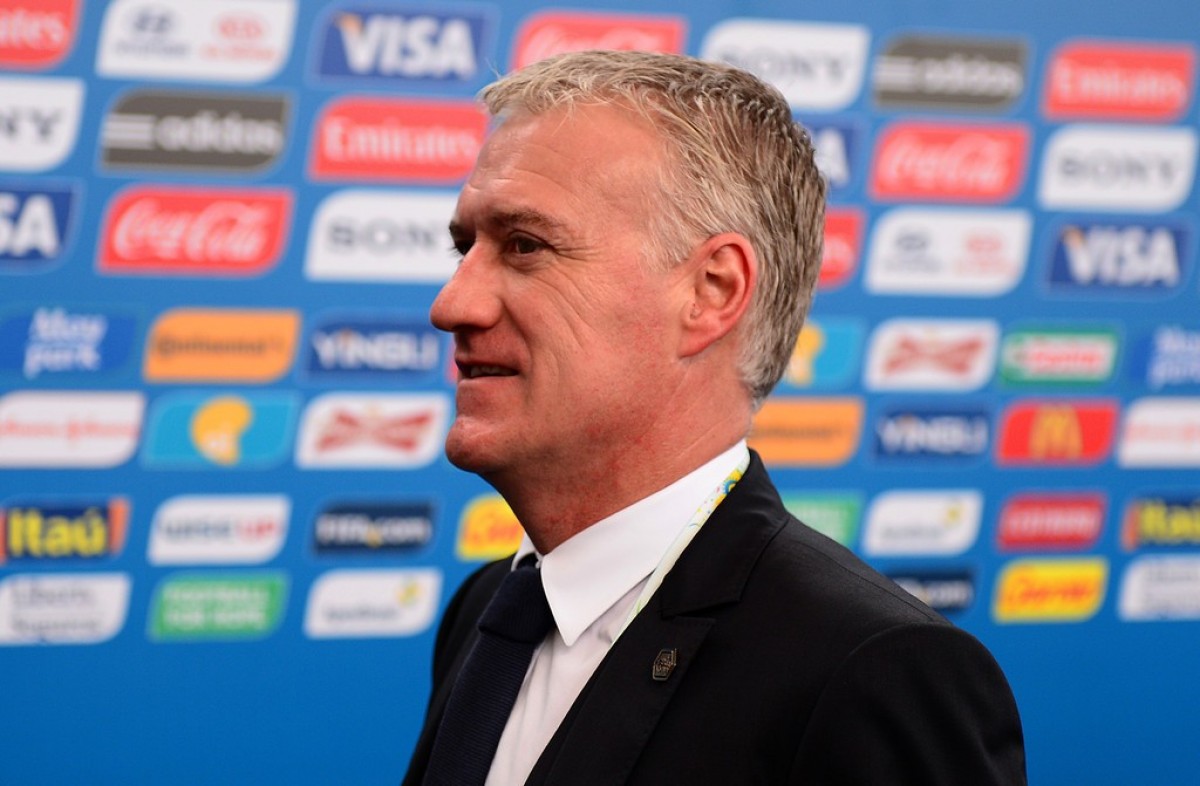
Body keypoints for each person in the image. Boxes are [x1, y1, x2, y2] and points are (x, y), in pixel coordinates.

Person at [402, 50, 1026, 785]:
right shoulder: (491, 610)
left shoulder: (870, 671)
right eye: (464, 247)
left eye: (525, 246)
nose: (452, 304)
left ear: (712, 291)